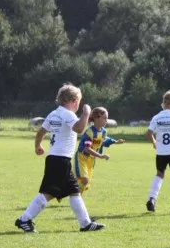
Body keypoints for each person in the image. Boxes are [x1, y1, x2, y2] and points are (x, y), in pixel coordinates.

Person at [15, 84, 105, 233]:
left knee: (74, 191)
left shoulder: (54, 113)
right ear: (74, 100)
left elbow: (41, 132)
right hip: (60, 160)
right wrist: (86, 113)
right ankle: (24, 219)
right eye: (79, 101)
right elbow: (79, 129)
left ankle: (86, 224)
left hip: (56, 159)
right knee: (48, 193)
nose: (79, 105)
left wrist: (38, 146)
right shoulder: (68, 114)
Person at [74, 107, 125, 195]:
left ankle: (74, 195)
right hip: (81, 158)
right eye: (104, 118)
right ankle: (72, 194)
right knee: (84, 180)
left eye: (107, 118)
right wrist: (101, 156)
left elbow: (104, 140)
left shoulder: (104, 132)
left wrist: (116, 142)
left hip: (91, 160)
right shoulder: (90, 132)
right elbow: (87, 149)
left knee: (85, 184)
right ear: (96, 118)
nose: (106, 120)